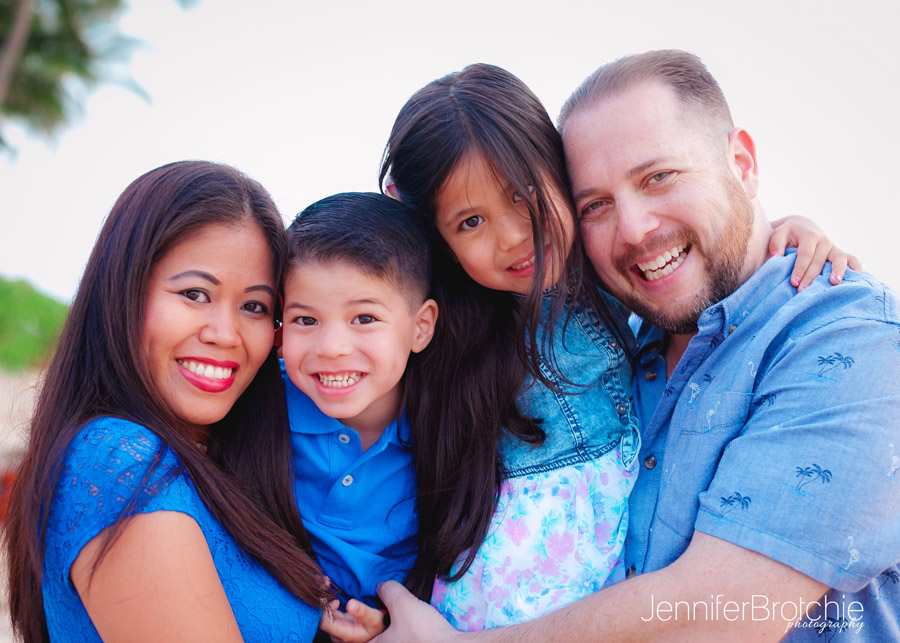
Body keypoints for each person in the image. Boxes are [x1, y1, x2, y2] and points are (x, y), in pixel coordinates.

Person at [371, 51, 900, 641]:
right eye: (595, 204)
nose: (634, 229)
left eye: (659, 177)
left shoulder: (849, 339)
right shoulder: (637, 333)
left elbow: (723, 617)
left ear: (742, 165)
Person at [3, 161, 332, 642]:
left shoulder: (212, 467)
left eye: (254, 307)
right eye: (195, 294)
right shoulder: (119, 461)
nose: (226, 335)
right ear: (123, 291)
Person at [279, 193, 437, 637]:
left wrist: (382, 626)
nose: (331, 347)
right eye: (305, 321)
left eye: (364, 318)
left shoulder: (444, 431)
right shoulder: (264, 406)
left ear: (420, 327)